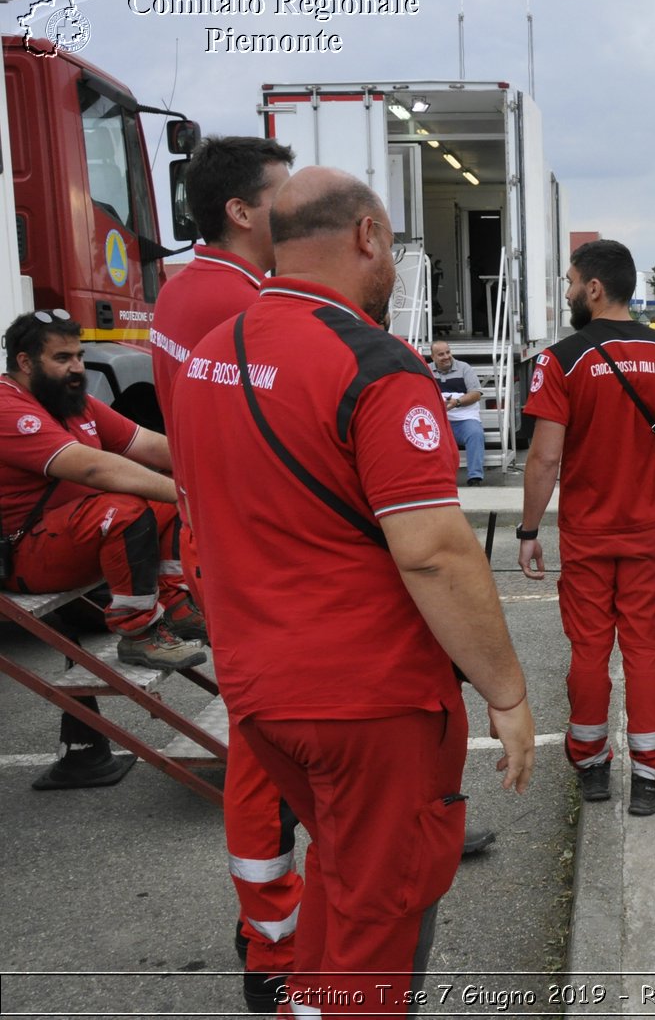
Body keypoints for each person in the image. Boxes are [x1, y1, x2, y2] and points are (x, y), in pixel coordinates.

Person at [168, 166, 536, 1017]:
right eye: (393, 246)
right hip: (368, 703)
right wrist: (507, 691)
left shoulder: (210, 354)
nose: (395, 268)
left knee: (336, 887)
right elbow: (435, 552)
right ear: (368, 236)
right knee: (380, 928)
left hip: (262, 695)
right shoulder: (375, 363)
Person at [149, 134, 303, 1014]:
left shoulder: (198, 287)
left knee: (272, 729)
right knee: (267, 739)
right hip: (251, 546)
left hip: (228, 537)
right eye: (284, 196)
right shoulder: (229, 301)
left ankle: (278, 917)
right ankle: (270, 936)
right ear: (244, 211)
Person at [519, 239, 655, 816]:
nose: (570, 290)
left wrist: (528, 532)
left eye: (572, 280)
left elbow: (545, 459)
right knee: (646, 652)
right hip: (648, 528)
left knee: (589, 650)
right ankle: (651, 773)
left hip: (586, 532)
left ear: (594, 288)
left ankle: (592, 764)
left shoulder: (561, 358)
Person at [0, 311, 204, 672]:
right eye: (62, 358)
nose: (78, 367)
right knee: (128, 508)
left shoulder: (70, 400)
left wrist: (221, 470)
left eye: (78, 356)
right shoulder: (8, 406)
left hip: (76, 533)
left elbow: (150, 445)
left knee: (164, 496)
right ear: (25, 362)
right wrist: (189, 493)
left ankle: (175, 605)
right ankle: (139, 633)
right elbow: (91, 467)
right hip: (27, 553)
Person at [429, 339, 486, 486]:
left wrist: (457, 402)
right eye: (441, 354)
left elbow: (476, 393)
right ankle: (439, 479)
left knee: (475, 434)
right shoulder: (427, 370)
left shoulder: (464, 368)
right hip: (439, 419)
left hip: (465, 419)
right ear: (433, 357)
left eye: (448, 352)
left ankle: (475, 477)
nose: (446, 356)